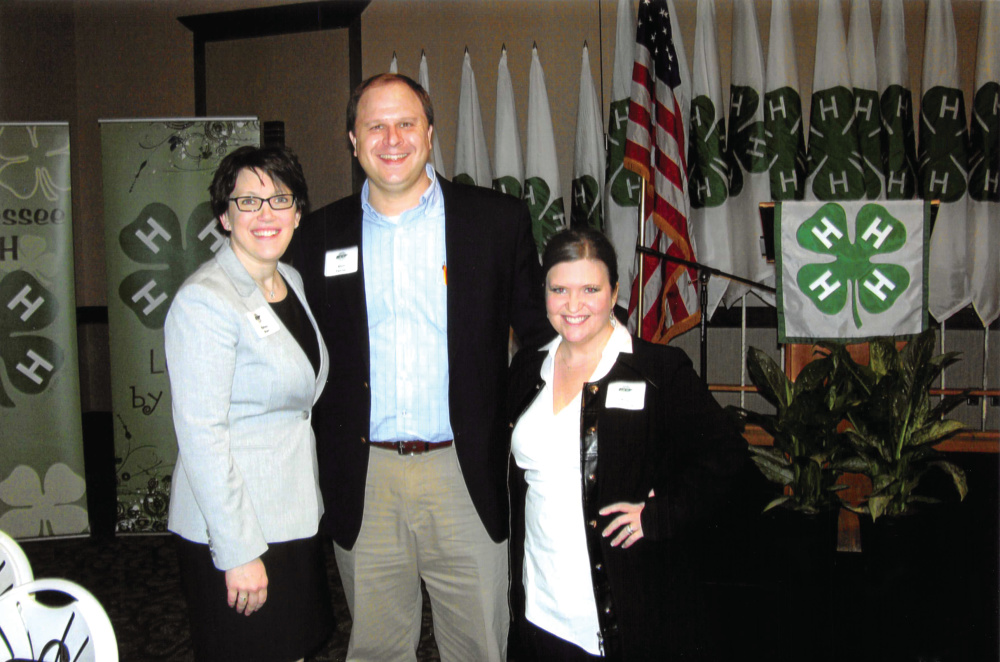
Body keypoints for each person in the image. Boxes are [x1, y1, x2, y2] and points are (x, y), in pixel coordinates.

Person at [292, 73, 553, 662]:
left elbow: (540, 339)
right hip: (365, 475)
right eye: (375, 126)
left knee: (481, 645)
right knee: (379, 648)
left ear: (430, 135)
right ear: (352, 141)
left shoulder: (496, 222)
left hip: (463, 472)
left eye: (406, 123)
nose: (392, 139)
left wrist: (509, 422)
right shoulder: (316, 235)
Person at [507, 228, 752, 661]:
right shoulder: (529, 367)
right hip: (539, 606)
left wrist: (662, 515)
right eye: (559, 289)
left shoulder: (658, 371)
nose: (573, 305)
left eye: (590, 289)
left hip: (620, 613)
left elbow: (728, 456)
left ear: (615, 291)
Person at [165, 146, 332, 662]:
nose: (266, 215)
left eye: (280, 199)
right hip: (237, 530)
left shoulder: (291, 282)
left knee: (294, 648)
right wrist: (237, 552)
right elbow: (202, 436)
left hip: (290, 513)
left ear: (298, 211)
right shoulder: (206, 299)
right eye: (249, 202)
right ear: (224, 215)